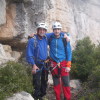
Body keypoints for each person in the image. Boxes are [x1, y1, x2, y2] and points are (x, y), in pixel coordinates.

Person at [49, 22, 72, 100]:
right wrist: (33, 35)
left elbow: (69, 52)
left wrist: (68, 65)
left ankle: (67, 98)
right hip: (54, 64)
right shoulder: (50, 38)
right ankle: (58, 98)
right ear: (53, 30)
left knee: (66, 83)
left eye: (58, 29)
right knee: (56, 84)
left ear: (60, 30)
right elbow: (42, 34)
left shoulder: (64, 39)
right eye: (55, 29)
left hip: (63, 63)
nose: (57, 31)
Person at [26, 22, 49, 100]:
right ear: (37, 30)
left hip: (45, 63)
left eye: (44, 30)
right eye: (40, 29)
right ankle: (36, 96)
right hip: (37, 64)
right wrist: (33, 65)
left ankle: (41, 96)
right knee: (36, 82)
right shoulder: (32, 40)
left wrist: (66, 36)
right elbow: (29, 54)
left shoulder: (45, 38)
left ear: (45, 31)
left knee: (44, 81)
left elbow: (56, 33)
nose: (42, 31)